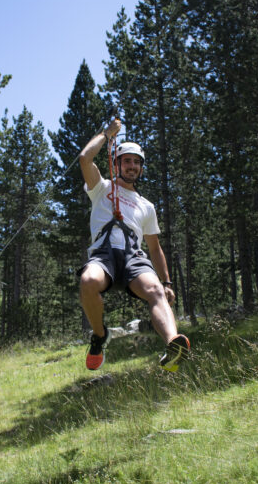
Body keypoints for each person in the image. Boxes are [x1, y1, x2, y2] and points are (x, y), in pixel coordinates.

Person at [78, 118, 190, 371]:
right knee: (88, 282)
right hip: (104, 254)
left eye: (136, 162)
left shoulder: (146, 206)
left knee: (156, 291)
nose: (132, 166)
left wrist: (168, 282)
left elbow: (154, 248)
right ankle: (99, 335)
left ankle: (173, 344)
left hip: (133, 256)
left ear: (141, 168)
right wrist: (107, 134)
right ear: (116, 163)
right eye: (126, 160)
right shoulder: (101, 188)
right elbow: (85, 158)